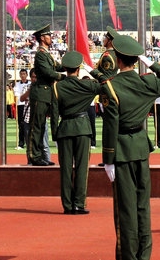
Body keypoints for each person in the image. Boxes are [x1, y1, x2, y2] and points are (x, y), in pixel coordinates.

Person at [101, 35, 160, 260]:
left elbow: (110, 125)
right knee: (143, 206)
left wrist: (108, 159)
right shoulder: (147, 81)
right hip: (141, 148)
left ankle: (128, 255)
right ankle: (144, 254)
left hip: (122, 150)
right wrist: (150, 62)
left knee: (126, 209)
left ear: (117, 59)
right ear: (136, 60)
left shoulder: (111, 87)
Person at [54, 51, 101, 214]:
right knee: (82, 168)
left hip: (65, 127)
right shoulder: (87, 85)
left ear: (65, 68)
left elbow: (54, 113)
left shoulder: (57, 86)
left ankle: (67, 205)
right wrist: (92, 70)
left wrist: (55, 132)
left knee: (66, 169)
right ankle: (79, 203)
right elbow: (105, 81)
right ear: (78, 70)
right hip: (82, 127)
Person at [27, 24, 62, 166]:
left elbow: (57, 66)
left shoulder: (46, 54)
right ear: (42, 38)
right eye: (48, 35)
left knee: (41, 127)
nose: (51, 38)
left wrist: (71, 65)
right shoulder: (41, 54)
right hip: (40, 93)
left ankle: (40, 154)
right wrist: (63, 77)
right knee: (37, 126)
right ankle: (34, 156)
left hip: (46, 93)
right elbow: (49, 72)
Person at [13, 69, 30, 149]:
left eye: (24, 74)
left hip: (28, 106)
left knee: (29, 124)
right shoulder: (17, 84)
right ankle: (21, 143)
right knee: (21, 124)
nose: (23, 75)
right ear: (19, 75)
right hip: (20, 105)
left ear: (27, 75)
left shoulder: (30, 84)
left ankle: (29, 142)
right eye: (21, 74)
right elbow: (17, 95)